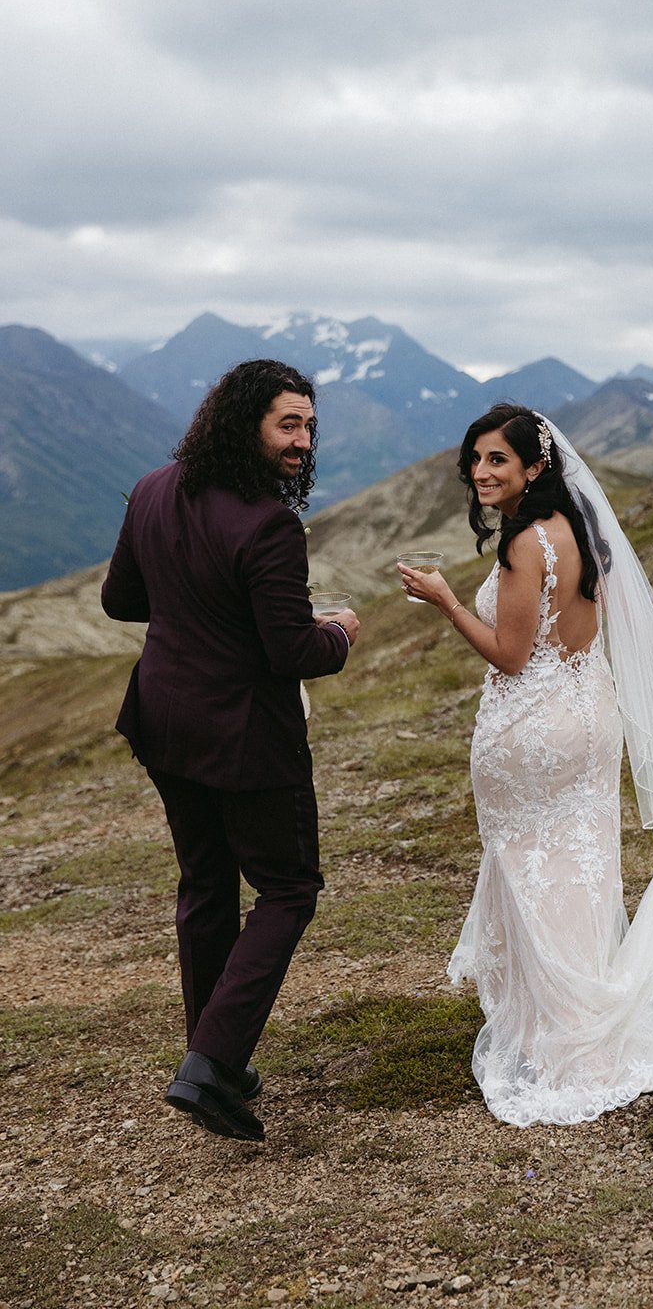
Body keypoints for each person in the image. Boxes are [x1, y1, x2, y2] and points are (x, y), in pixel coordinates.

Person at [398, 403, 653, 1127]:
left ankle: (567, 1038)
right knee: (577, 869)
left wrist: (442, 599)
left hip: (534, 731)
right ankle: (577, 1017)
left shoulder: (527, 542)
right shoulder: (582, 532)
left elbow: (510, 654)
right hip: (592, 720)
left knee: (534, 868)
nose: (481, 472)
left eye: (497, 459)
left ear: (535, 466)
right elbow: (611, 631)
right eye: (475, 459)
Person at [101, 359, 360, 1142]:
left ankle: (211, 1050)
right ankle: (211, 1063)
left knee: (207, 886)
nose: (302, 440)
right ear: (244, 419)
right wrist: (340, 632)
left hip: (165, 720)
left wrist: (192, 607)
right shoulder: (267, 524)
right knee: (288, 889)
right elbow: (292, 653)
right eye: (288, 424)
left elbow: (122, 599)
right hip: (245, 737)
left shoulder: (152, 487)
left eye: (310, 426)